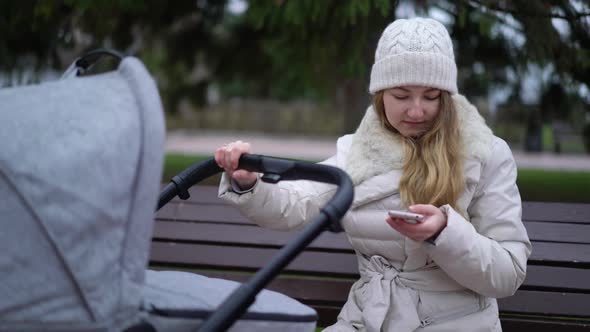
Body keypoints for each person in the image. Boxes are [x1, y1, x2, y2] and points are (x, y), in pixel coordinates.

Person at [214, 17, 531, 332]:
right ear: (381, 95)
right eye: (401, 95)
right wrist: (248, 181)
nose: (416, 110)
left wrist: (444, 234)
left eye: (431, 96)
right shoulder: (358, 152)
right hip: (367, 321)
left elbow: (508, 272)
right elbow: (293, 204)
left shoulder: (486, 154)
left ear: (447, 97)